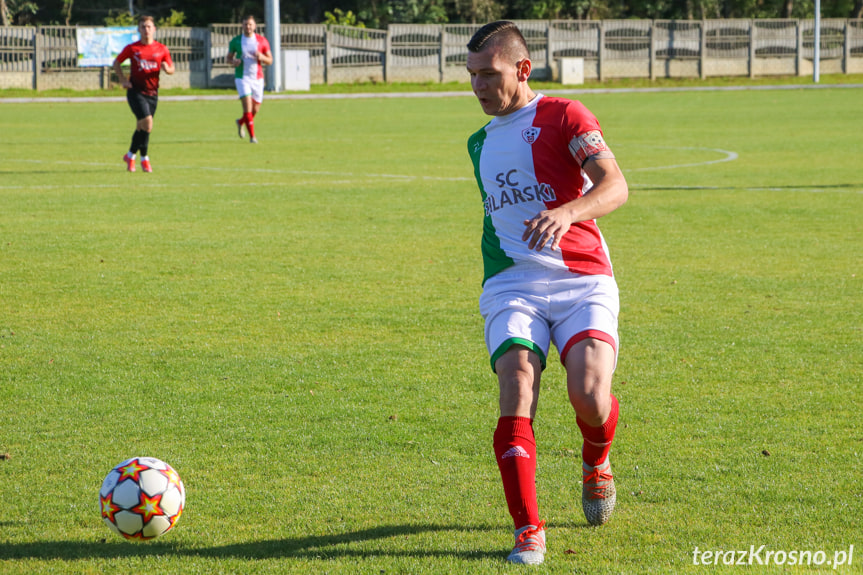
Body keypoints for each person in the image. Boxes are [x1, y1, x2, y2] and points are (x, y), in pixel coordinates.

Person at [465, 21, 629, 565]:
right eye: (472, 77)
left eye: (489, 74)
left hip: (582, 277)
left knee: (588, 393)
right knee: (516, 384)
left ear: (522, 69)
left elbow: (615, 185)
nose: (479, 87)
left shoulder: (566, 116)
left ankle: (596, 460)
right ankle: (528, 530)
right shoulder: (478, 143)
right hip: (512, 283)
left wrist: (567, 212)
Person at [113, 15, 174, 173]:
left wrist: (168, 70)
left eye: (149, 26)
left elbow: (171, 67)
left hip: (153, 93)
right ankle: (144, 159)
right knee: (148, 123)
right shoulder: (133, 48)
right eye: (143, 27)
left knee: (142, 127)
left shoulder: (161, 49)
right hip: (135, 92)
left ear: (154, 29)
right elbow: (116, 62)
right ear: (139, 29)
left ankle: (130, 155)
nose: (146, 30)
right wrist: (122, 80)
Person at [227, 15, 273, 144]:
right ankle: (252, 137)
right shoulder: (236, 41)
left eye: (250, 24)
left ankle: (241, 121)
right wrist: (234, 61)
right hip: (242, 78)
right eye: (245, 24)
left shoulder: (262, 41)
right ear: (242, 26)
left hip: (257, 78)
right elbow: (228, 58)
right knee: (247, 106)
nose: (248, 27)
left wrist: (261, 57)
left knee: (255, 109)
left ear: (255, 26)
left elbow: (270, 60)